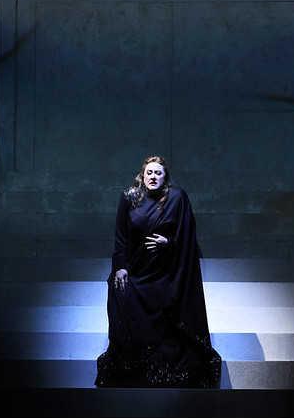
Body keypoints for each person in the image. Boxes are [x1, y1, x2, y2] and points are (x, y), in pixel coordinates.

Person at [95, 155, 221, 388]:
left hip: (164, 273)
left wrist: (168, 243)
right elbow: (121, 236)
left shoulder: (177, 198)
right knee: (120, 295)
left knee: (166, 318)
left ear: (166, 177)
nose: (153, 177)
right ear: (142, 175)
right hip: (136, 270)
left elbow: (187, 236)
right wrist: (120, 266)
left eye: (158, 173)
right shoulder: (128, 197)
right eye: (149, 172)